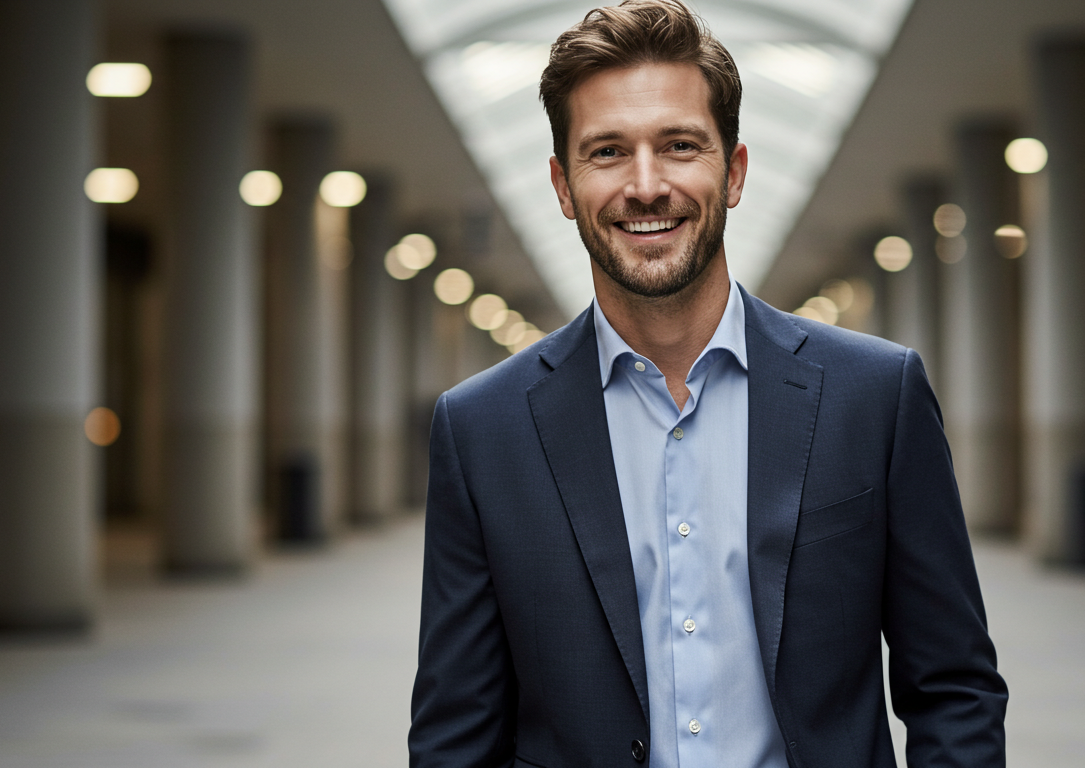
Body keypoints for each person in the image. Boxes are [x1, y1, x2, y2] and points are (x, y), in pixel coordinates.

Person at [408, 1, 1007, 766]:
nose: (646, 185)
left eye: (680, 145)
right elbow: (455, 732)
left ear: (734, 171)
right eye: (607, 152)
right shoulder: (480, 429)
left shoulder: (874, 396)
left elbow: (953, 689)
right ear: (562, 186)